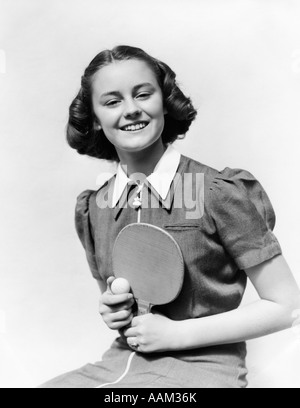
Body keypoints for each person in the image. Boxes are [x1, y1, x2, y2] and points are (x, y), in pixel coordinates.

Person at [41, 45, 300, 388]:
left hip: (204, 370)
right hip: (121, 363)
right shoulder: (96, 207)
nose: (131, 110)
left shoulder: (215, 191)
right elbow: (123, 300)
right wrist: (113, 310)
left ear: (164, 101)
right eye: (112, 101)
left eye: (143, 94)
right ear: (95, 120)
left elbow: (286, 306)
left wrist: (176, 334)